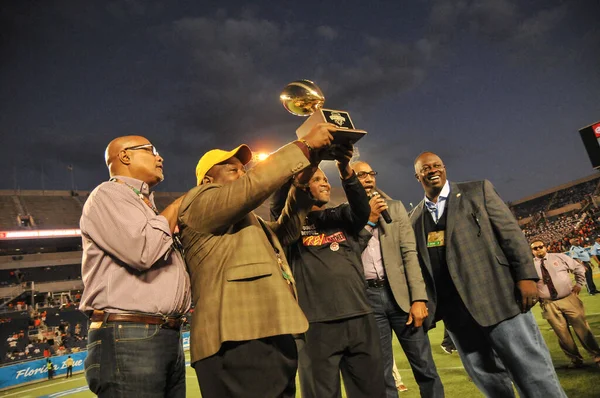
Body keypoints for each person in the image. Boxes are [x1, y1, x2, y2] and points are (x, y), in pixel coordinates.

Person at [178, 123, 336, 398]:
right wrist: (305, 146)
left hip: (269, 331)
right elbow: (255, 185)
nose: (242, 174)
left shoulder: (251, 223)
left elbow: (286, 231)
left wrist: (304, 176)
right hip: (237, 337)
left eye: (243, 169)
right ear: (207, 181)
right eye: (233, 169)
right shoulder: (197, 203)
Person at [409, 152, 566, 397]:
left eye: (437, 165)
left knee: (531, 371)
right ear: (417, 175)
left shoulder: (477, 191)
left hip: (499, 298)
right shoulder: (414, 218)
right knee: (488, 379)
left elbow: (511, 233)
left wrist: (526, 277)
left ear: (445, 168)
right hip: (456, 314)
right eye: (426, 168)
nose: (432, 170)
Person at [79, 135, 191, 398]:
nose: (159, 157)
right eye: (152, 151)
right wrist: (177, 206)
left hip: (163, 333)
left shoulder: (143, 204)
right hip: (129, 334)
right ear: (125, 156)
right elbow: (143, 251)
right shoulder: (108, 194)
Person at [271, 155, 385, 398]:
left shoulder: (339, 216)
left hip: (359, 317)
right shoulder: (289, 225)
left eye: (325, 178)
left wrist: (345, 168)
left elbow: (362, 210)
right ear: (300, 185)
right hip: (316, 325)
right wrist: (310, 159)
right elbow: (279, 201)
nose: (325, 183)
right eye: (316, 179)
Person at [351, 161, 443, 398]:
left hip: (400, 297)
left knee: (425, 366)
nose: (369, 178)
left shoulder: (394, 207)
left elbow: (409, 254)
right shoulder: (345, 213)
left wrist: (419, 298)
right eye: (361, 175)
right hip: (367, 297)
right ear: (350, 180)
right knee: (381, 373)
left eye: (371, 173)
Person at [531, 240, 600, 368]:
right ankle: (575, 360)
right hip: (548, 304)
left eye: (541, 246)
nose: (539, 249)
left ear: (546, 247)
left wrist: (579, 284)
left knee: (583, 329)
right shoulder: (530, 266)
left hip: (568, 298)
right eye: (535, 248)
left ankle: (597, 356)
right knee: (562, 334)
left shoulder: (559, 257)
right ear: (532, 251)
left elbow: (579, 268)